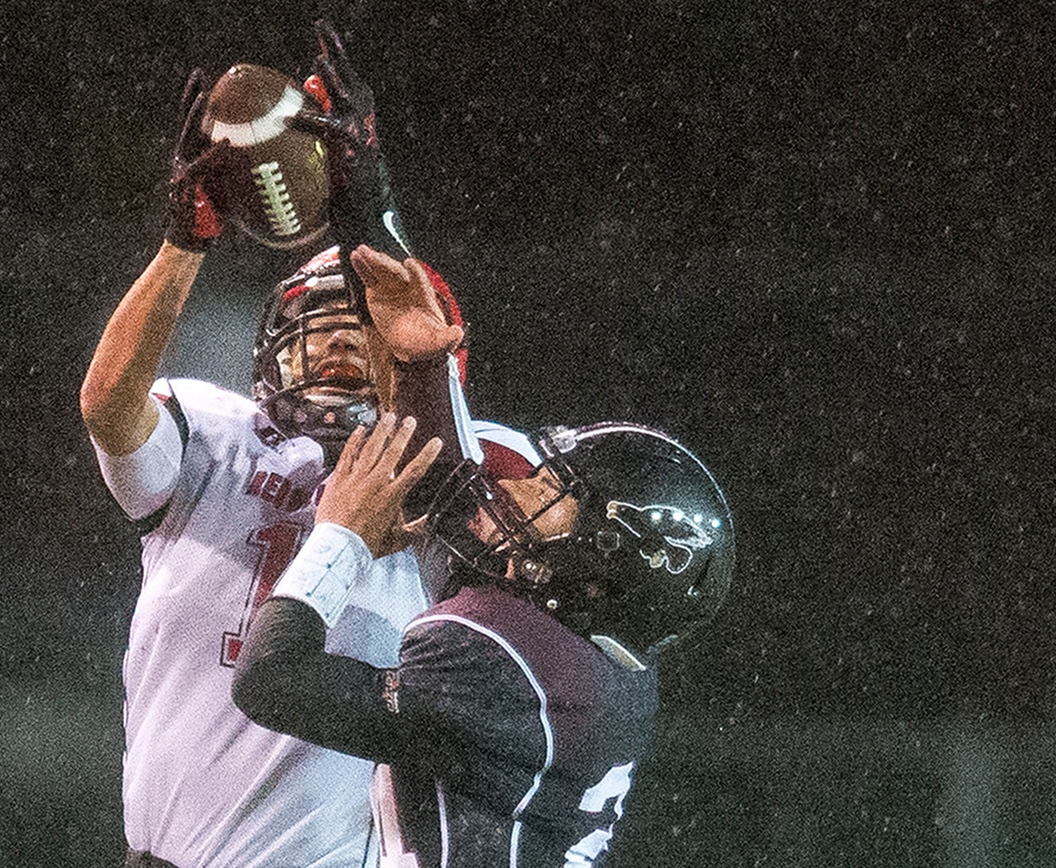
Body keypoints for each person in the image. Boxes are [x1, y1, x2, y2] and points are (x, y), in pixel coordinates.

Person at [79, 21, 506, 868]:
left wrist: (370, 214)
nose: (345, 343)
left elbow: (440, 467)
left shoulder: (455, 466)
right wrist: (182, 245)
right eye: (323, 326)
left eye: (366, 329)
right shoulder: (222, 434)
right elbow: (107, 405)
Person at [232, 248, 737, 867]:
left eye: (551, 492)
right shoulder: (611, 658)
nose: (518, 489)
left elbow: (271, 680)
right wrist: (418, 359)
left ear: (600, 563)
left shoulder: (504, 651)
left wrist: (341, 537)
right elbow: (445, 491)